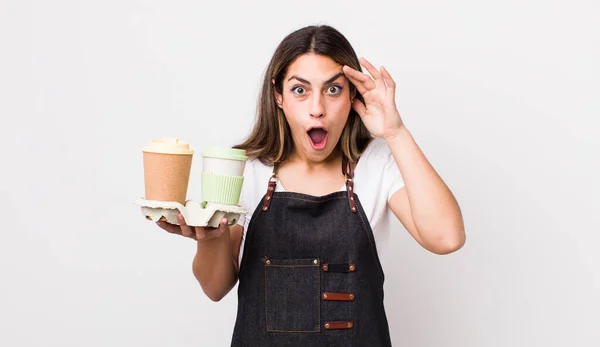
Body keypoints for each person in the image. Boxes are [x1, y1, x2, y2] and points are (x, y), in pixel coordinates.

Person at [157, 24, 465, 347]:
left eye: (333, 90)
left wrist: (395, 132)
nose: (317, 108)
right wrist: (211, 239)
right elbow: (215, 287)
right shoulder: (249, 171)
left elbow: (447, 237)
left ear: (352, 96)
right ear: (278, 95)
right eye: (300, 90)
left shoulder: (377, 165)